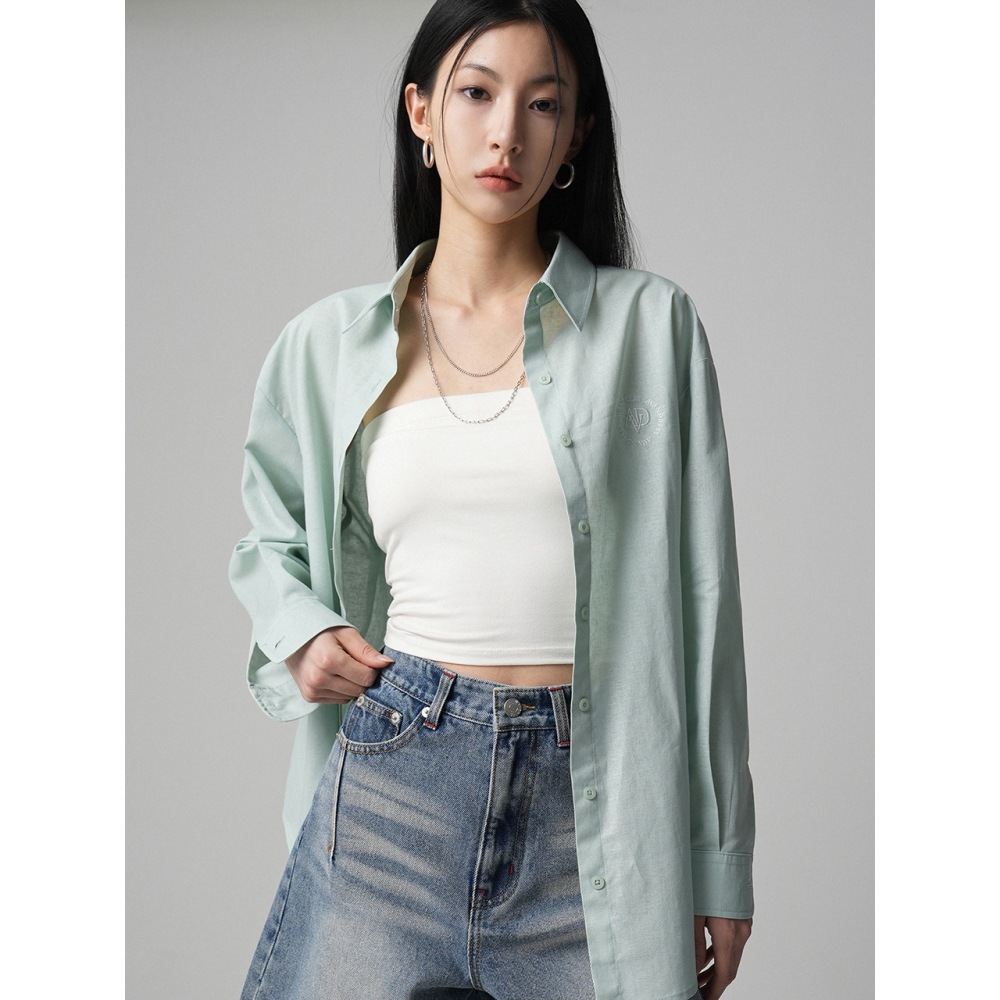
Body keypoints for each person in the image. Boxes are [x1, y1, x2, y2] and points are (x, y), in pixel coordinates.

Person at [230, 1, 755, 998]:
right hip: (394, 785)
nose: (506, 130)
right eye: (475, 92)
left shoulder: (651, 331)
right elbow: (268, 543)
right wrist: (301, 633)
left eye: (541, 103)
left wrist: (719, 858)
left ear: (576, 133)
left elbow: (705, 603)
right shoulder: (324, 347)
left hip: (595, 815)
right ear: (421, 114)